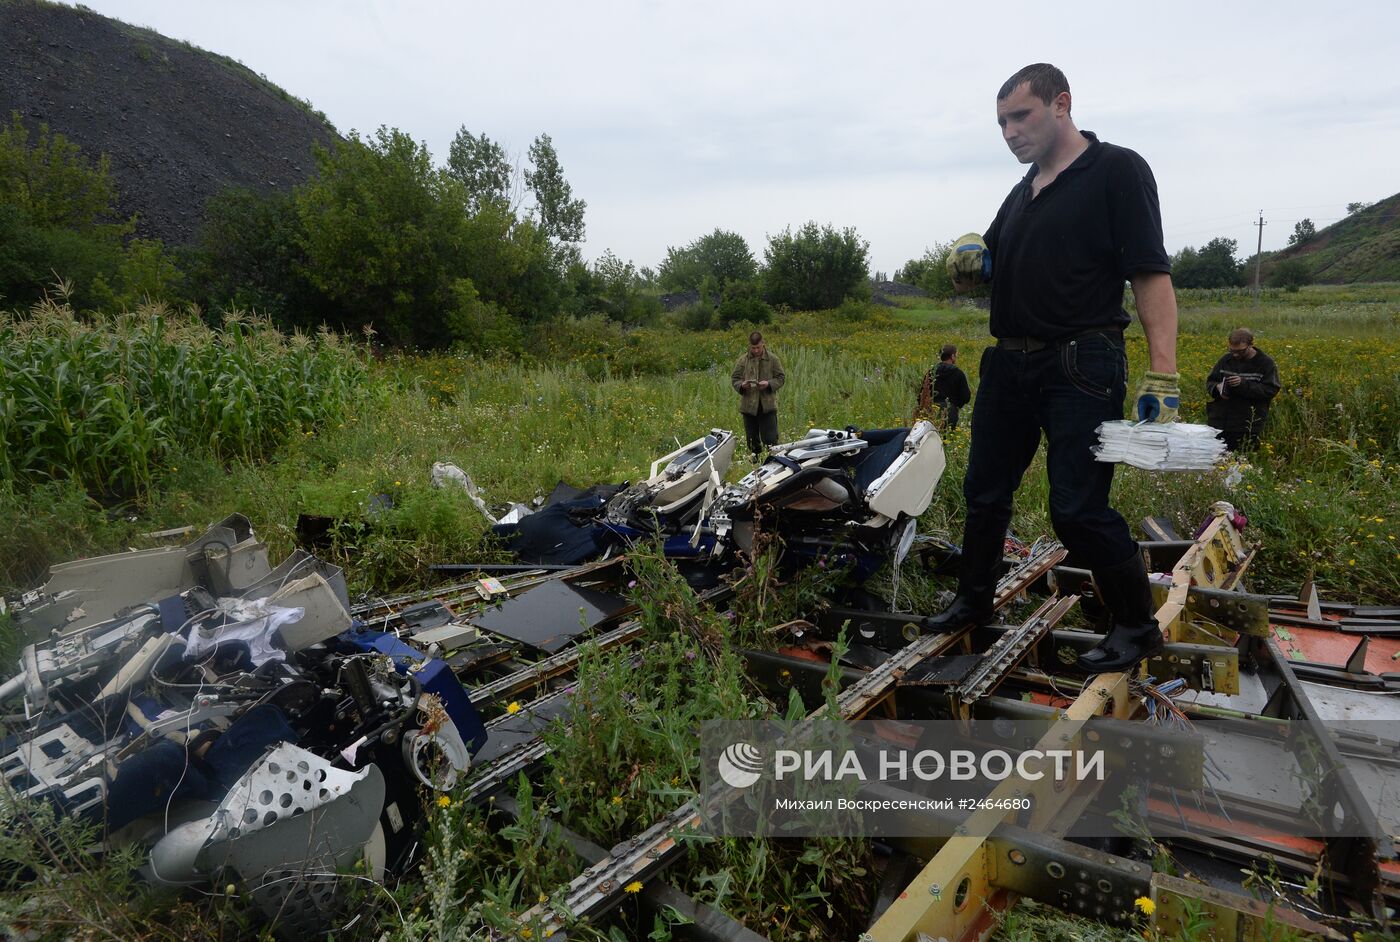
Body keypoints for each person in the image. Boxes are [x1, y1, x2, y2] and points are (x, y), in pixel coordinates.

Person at [926, 63, 1181, 674]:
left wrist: (1163, 373)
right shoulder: (1023, 191)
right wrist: (974, 265)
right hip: (1008, 362)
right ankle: (973, 600)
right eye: (1001, 123)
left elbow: (1149, 272)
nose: (1010, 132)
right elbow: (990, 263)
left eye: (1021, 116)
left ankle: (1136, 626)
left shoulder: (1116, 169)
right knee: (984, 493)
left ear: (1061, 104)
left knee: (1077, 508)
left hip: (1081, 361)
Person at [1206, 328, 1281, 451]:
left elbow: (1270, 390)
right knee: (1217, 460)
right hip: (1220, 421)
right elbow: (1210, 382)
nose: (1235, 354)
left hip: (1247, 424)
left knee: (1242, 461)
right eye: (1232, 350)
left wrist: (1243, 384)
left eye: (1240, 351)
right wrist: (1217, 387)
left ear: (1251, 345)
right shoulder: (1225, 360)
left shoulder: (1266, 363)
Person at [731, 330, 785, 457]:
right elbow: (735, 379)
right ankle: (755, 468)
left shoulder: (773, 359)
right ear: (749, 346)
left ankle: (773, 465)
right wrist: (742, 385)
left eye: (758, 347)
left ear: (763, 344)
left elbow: (781, 378)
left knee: (771, 441)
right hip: (749, 407)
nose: (755, 350)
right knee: (752, 443)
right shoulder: (743, 360)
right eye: (753, 348)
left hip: (767, 406)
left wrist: (769, 384)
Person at [928, 343, 972, 431]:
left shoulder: (931, 372)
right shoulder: (958, 373)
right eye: (956, 355)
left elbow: (923, 394)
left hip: (931, 412)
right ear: (952, 356)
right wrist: (956, 405)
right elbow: (966, 397)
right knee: (948, 439)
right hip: (950, 412)